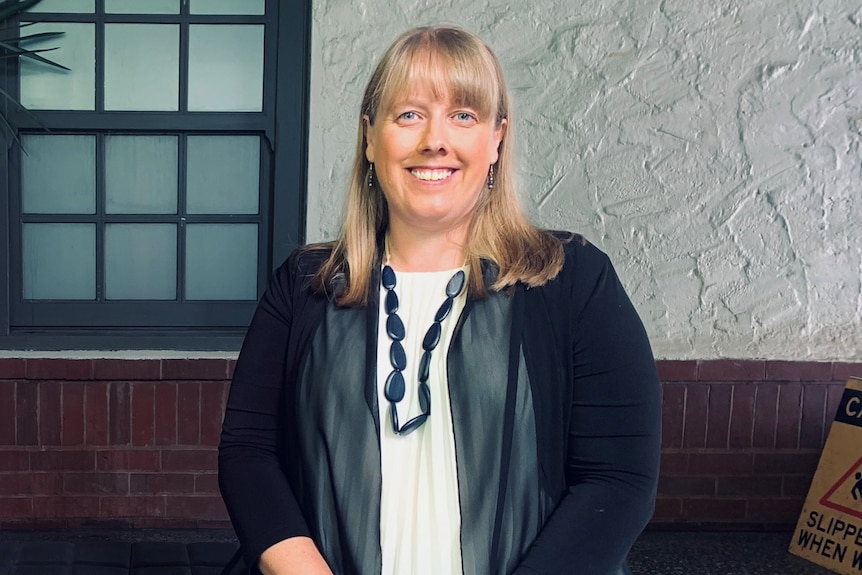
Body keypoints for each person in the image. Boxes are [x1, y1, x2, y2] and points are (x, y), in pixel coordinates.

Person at [219, 25, 661, 575]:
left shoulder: (571, 280)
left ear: (497, 138)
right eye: (409, 115)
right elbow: (248, 455)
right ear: (369, 137)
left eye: (464, 115)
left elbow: (618, 482)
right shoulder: (305, 284)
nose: (435, 139)